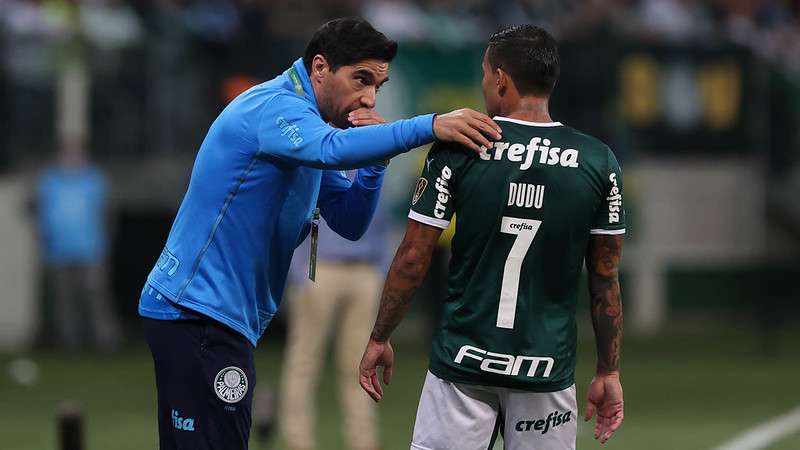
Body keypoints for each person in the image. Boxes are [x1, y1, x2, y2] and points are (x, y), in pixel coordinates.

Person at [138, 17, 502, 450]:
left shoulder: (307, 125)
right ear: (320, 68)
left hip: (210, 317)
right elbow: (331, 150)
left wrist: (374, 164)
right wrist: (428, 126)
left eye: (377, 86)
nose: (368, 96)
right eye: (360, 79)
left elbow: (348, 221)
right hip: (196, 312)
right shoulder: (275, 108)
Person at [358, 25, 626, 450]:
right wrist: (608, 371)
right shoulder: (598, 160)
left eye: (485, 74)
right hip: (546, 370)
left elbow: (413, 256)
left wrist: (379, 337)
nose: (484, 84)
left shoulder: (462, 146)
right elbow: (605, 278)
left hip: (462, 363)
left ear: (500, 78)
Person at [280, 191, 389, 450]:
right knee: (305, 360)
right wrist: (299, 273)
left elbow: (384, 222)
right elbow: (297, 216)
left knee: (361, 363)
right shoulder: (321, 160)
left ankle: (364, 442)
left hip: (364, 269)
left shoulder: (370, 165)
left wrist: (380, 270)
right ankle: (298, 442)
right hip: (321, 266)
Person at [35, 136, 122, 353]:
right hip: (58, 251)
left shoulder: (95, 179)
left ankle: (107, 342)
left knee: (96, 298)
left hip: (91, 250)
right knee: (64, 301)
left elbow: (108, 213)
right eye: (67, 154)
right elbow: (37, 209)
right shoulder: (48, 180)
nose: (72, 159)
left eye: (76, 154)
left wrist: (106, 242)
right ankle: (70, 343)